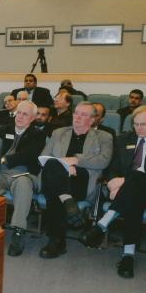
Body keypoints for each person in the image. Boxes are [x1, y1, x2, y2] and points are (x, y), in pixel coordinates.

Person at [80, 106, 146, 279]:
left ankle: (102, 224)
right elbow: (112, 169)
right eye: (135, 124)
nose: (138, 128)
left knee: (137, 178)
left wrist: (123, 183)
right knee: (134, 198)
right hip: (129, 194)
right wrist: (112, 183)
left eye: (143, 124)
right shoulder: (122, 139)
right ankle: (128, 255)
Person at [38, 102, 113, 259]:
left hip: (83, 181)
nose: (78, 117)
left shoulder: (104, 137)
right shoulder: (59, 133)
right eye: (76, 113)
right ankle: (66, 202)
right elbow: (43, 158)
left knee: (54, 188)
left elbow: (104, 161)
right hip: (58, 179)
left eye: (83, 114)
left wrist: (75, 160)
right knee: (54, 171)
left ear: (92, 120)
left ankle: (56, 240)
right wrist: (63, 165)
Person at [0, 100, 46, 256]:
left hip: (25, 174)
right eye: (19, 112)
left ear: (32, 118)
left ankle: (18, 231)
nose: (20, 116)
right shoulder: (4, 130)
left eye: (25, 114)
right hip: (0, 173)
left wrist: (4, 160)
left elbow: (28, 156)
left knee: (23, 184)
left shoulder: (38, 135)